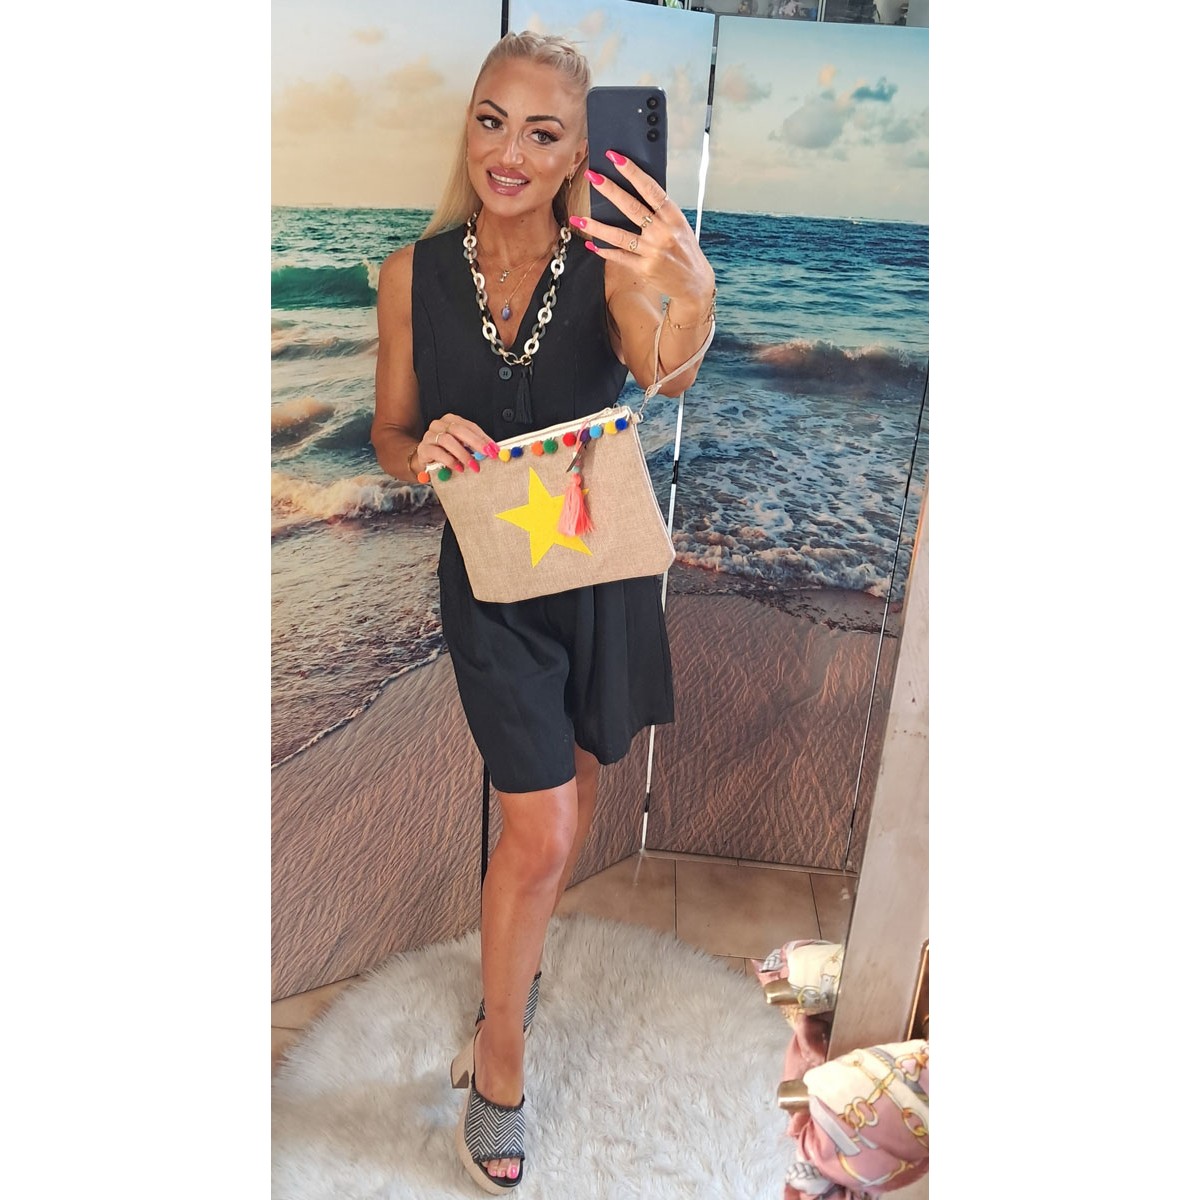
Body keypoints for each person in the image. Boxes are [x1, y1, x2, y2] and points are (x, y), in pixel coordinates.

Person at [371, 30, 716, 1194]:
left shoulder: (606, 264)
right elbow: (390, 433)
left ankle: (510, 979)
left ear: (578, 154)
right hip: (492, 583)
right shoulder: (411, 275)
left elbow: (667, 371)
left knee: (578, 787)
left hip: (599, 570)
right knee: (547, 830)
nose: (507, 152)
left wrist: (694, 291)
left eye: (542, 132)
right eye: (490, 120)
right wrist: (420, 448)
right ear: (467, 124)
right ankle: (502, 1060)